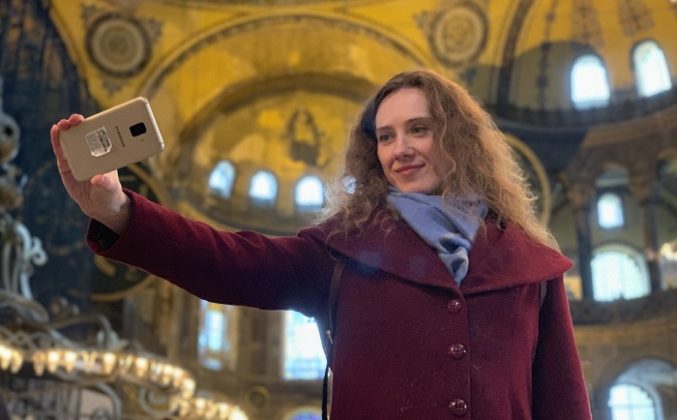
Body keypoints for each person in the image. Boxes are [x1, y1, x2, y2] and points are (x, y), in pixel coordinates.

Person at [50, 69, 592, 419]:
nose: (400, 149)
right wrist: (117, 210)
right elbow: (229, 263)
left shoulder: (529, 263)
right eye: (385, 136)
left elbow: (564, 404)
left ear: (459, 138)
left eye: (419, 129)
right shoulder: (344, 249)